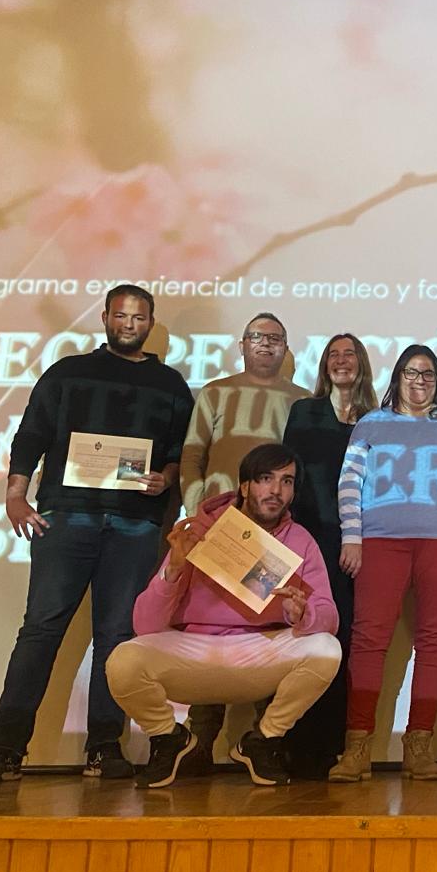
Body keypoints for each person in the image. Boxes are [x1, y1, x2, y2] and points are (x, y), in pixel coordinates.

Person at [0, 285, 194, 784]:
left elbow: (180, 450)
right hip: (66, 517)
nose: (130, 324)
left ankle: (105, 748)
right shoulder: (67, 373)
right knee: (41, 630)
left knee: (117, 638)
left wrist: (167, 478)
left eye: (139, 317)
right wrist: (14, 496)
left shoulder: (172, 384)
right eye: (121, 315)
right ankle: (3, 749)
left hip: (135, 523)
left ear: (150, 322)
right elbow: (31, 434)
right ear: (105, 318)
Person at [105, 443, 342, 787]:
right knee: (122, 660)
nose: (276, 490)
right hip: (193, 650)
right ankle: (168, 736)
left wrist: (304, 614)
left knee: (326, 649)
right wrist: (173, 569)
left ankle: (262, 739)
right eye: (265, 479)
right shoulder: (198, 532)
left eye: (287, 481)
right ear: (244, 486)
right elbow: (145, 625)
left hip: (260, 650)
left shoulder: (300, 540)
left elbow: (329, 616)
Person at [327, 345, 437, 782]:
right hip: (380, 541)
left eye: (429, 375)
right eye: (411, 373)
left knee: (435, 641)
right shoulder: (370, 425)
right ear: (397, 377)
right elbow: (349, 482)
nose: (420, 382)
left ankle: (419, 745)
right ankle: (356, 746)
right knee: (368, 640)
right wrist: (352, 536)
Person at [176, 312, 309, 771]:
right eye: (258, 337)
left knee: (270, 625)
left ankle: (262, 741)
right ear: (242, 344)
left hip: (272, 532)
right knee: (208, 626)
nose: (266, 345)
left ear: (286, 348)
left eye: (276, 338)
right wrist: (197, 508)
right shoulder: (214, 392)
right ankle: (199, 740)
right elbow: (192, 452)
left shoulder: (302, 400)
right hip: (216, 528)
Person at [279, 332, 378, 776]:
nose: (342, 361)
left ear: (361, 364)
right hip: (309, 539)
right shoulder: (304, 410)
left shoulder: (378, 419)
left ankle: (334, 746)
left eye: (349, 354)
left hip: (359, 544)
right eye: (334, 355)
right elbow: (292, 476)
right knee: (303, 637)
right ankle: (294, 743)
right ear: (324, 366)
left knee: (348, 642)